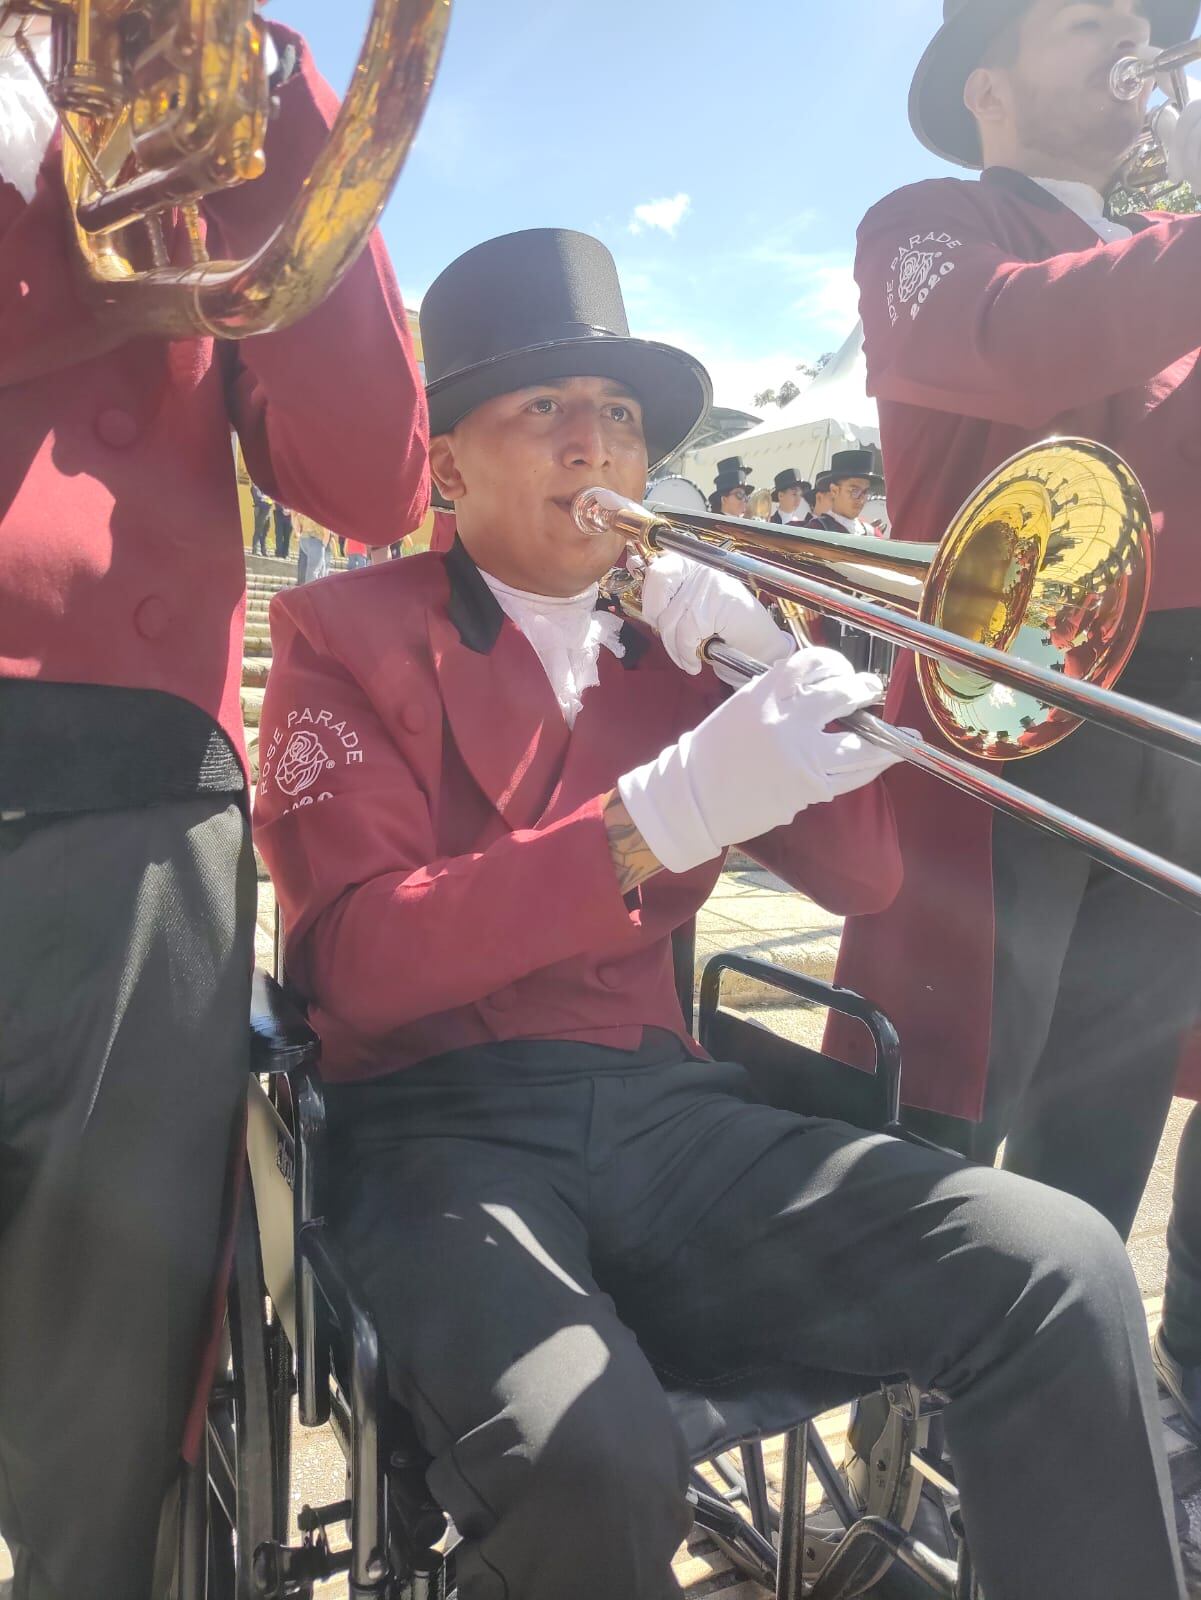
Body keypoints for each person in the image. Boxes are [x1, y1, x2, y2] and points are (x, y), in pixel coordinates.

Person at [255, 227, 1186, 1600]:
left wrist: (769, 653)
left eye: (620, 417)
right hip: (435, 1136)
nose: (598, 448)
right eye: (544, 410)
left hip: (662, 1117)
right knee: (591, 1457)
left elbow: (866, 880)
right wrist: (657, 817)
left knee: (1063, 1261)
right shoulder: (343, 627)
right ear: (446, 466)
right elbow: (359, 967)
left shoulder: (680, 648)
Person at [0, 12, 428, 1599]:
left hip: (135, 800)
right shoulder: (75, 131)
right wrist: (49, 162)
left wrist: (275, 113)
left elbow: (369, 469)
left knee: (110, 1411)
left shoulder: (190, 88)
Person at [823, 0, 1201, 1433]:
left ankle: (1046, 1434)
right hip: (999, 721)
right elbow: (1021, 343)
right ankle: (892, 1432)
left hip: (1169, 731)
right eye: (1083, 19)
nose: (1127, 35)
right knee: (939, 1108)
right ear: (986, 88)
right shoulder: (925, 220)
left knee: (1098, 1126)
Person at [804, 448, 883, 536]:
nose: (861, 499)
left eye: (865, 492)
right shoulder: (815, 531)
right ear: (834, 490)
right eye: (855, 491)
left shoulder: (873, 534)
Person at [295, 510, 334, 585]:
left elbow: (297, 517)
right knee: (314, 570)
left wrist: (298, 533)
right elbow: (326, 527)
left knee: (320, 566)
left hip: (305, 539)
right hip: (315, 540)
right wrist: (324, 543)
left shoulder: (307, 509)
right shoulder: (320, 512)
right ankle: (310, 592)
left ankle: (317, 589)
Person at [250, 481, 273, 558]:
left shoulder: (265, 488)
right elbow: (257, 500)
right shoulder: (254, 488)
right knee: (258, 531)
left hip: (267, 512)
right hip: (260, 511)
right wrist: (265, 499)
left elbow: (271, 499)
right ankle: (255, 550)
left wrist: (265, 499)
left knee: (265, 531)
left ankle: (263, 551)